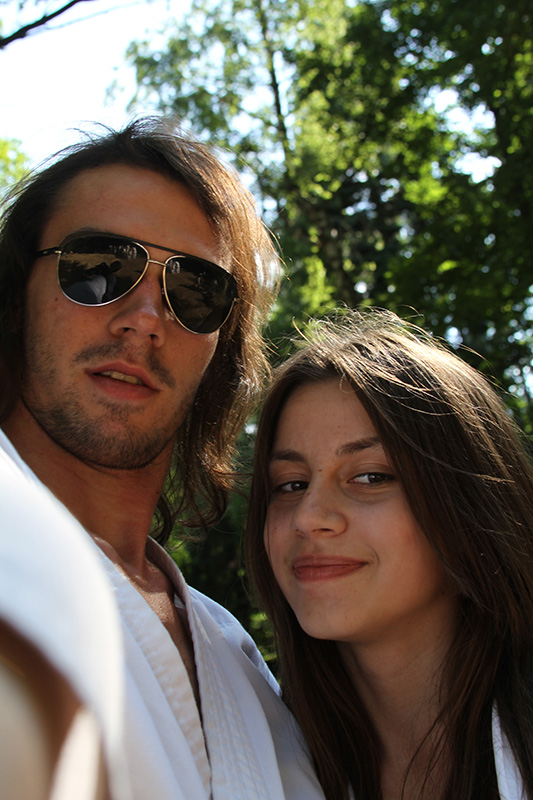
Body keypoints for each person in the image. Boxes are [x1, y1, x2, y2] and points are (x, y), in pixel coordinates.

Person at [0, 117, 324, 800]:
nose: (146, 317)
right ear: (16, 295)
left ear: (220, 352)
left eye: (196, 290)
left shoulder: (237, 660)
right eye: (98, 266)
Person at [246, 309, 533, 800]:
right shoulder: (252, 762)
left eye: (370, 476)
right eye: (290, 484)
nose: (308, 517)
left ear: (468, 502)